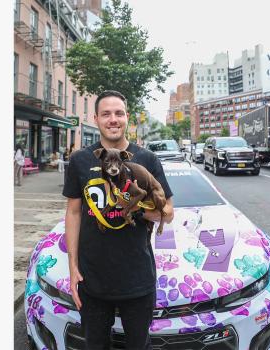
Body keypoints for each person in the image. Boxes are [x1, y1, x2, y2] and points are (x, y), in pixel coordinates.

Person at [63, 90, 174, 349]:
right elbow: (73, 213)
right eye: (106, 114)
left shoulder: (146, 159)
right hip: (92, 279)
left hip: (137, 278)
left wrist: (135, 209)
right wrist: (73, 268)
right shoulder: (80, 160)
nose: (113, 119)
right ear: (95, 118)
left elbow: (168, 213)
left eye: (119, 113)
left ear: (127, 118)